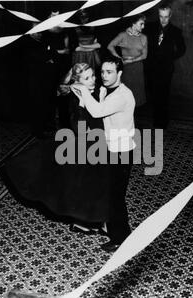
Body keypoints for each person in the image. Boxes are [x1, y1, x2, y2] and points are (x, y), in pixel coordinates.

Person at [2, 63, 111, 234]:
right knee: (86, 187)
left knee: (91, 186)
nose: (94, 79)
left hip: (98, 144)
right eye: (87, 78)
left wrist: (102, 100)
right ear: (78, 81)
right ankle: (89, 222)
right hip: (87, 147)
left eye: (93, 75)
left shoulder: (95, 91)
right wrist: (83, 105)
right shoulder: (76, 99)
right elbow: (81, 129)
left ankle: (92, 221)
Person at [71, 56, 136, 252]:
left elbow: (98, 112)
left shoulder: (122, 95)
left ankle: (122, 238)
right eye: (103, 72)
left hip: (121, 152)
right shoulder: (109, 91)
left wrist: (82, 90)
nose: (104, 76)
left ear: (120, 73)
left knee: (116, 197)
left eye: (109, 72)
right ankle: (111, 229)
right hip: (112, 149)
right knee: (111, 194)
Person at [145, 3, 186, 129]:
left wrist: (169, 57)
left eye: (166, 17)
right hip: (151, 67)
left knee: (163, 95)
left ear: (170, 16)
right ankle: (156, 120)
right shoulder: (149, 27)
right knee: (153, 94)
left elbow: (182, 49)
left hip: (166, 69)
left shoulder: (176, 31)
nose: (163, 20)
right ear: (158, 15)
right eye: (161, 16)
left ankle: (162, 123)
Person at [107, 14, 147, 107]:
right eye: (141, 24)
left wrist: (132, 61)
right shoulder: (123, 35)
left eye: (144, 24)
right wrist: (119, 58)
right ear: (134, 23)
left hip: (138, 68)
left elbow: (144, 55)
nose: (143, 26)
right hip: (126, 68)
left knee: (137, 98)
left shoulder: (143, 37)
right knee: (126, 97)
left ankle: (134, 118)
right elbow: (110, 46)